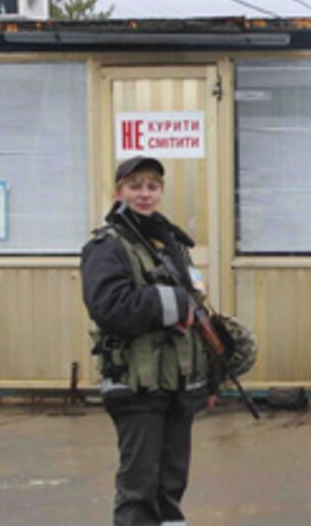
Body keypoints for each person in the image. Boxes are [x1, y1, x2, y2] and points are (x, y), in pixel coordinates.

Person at [81, 156, 214, 526]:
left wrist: (211, 379)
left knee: (170, 487)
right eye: (135, 185)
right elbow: (109, 307)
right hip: (136, 386)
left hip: (177, 384)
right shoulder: (106, 246)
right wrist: (174, 303)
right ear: (119, 191)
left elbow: (197, 312)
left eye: (152, 186)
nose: (144, 193)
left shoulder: (168, 242)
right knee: (139, 490)